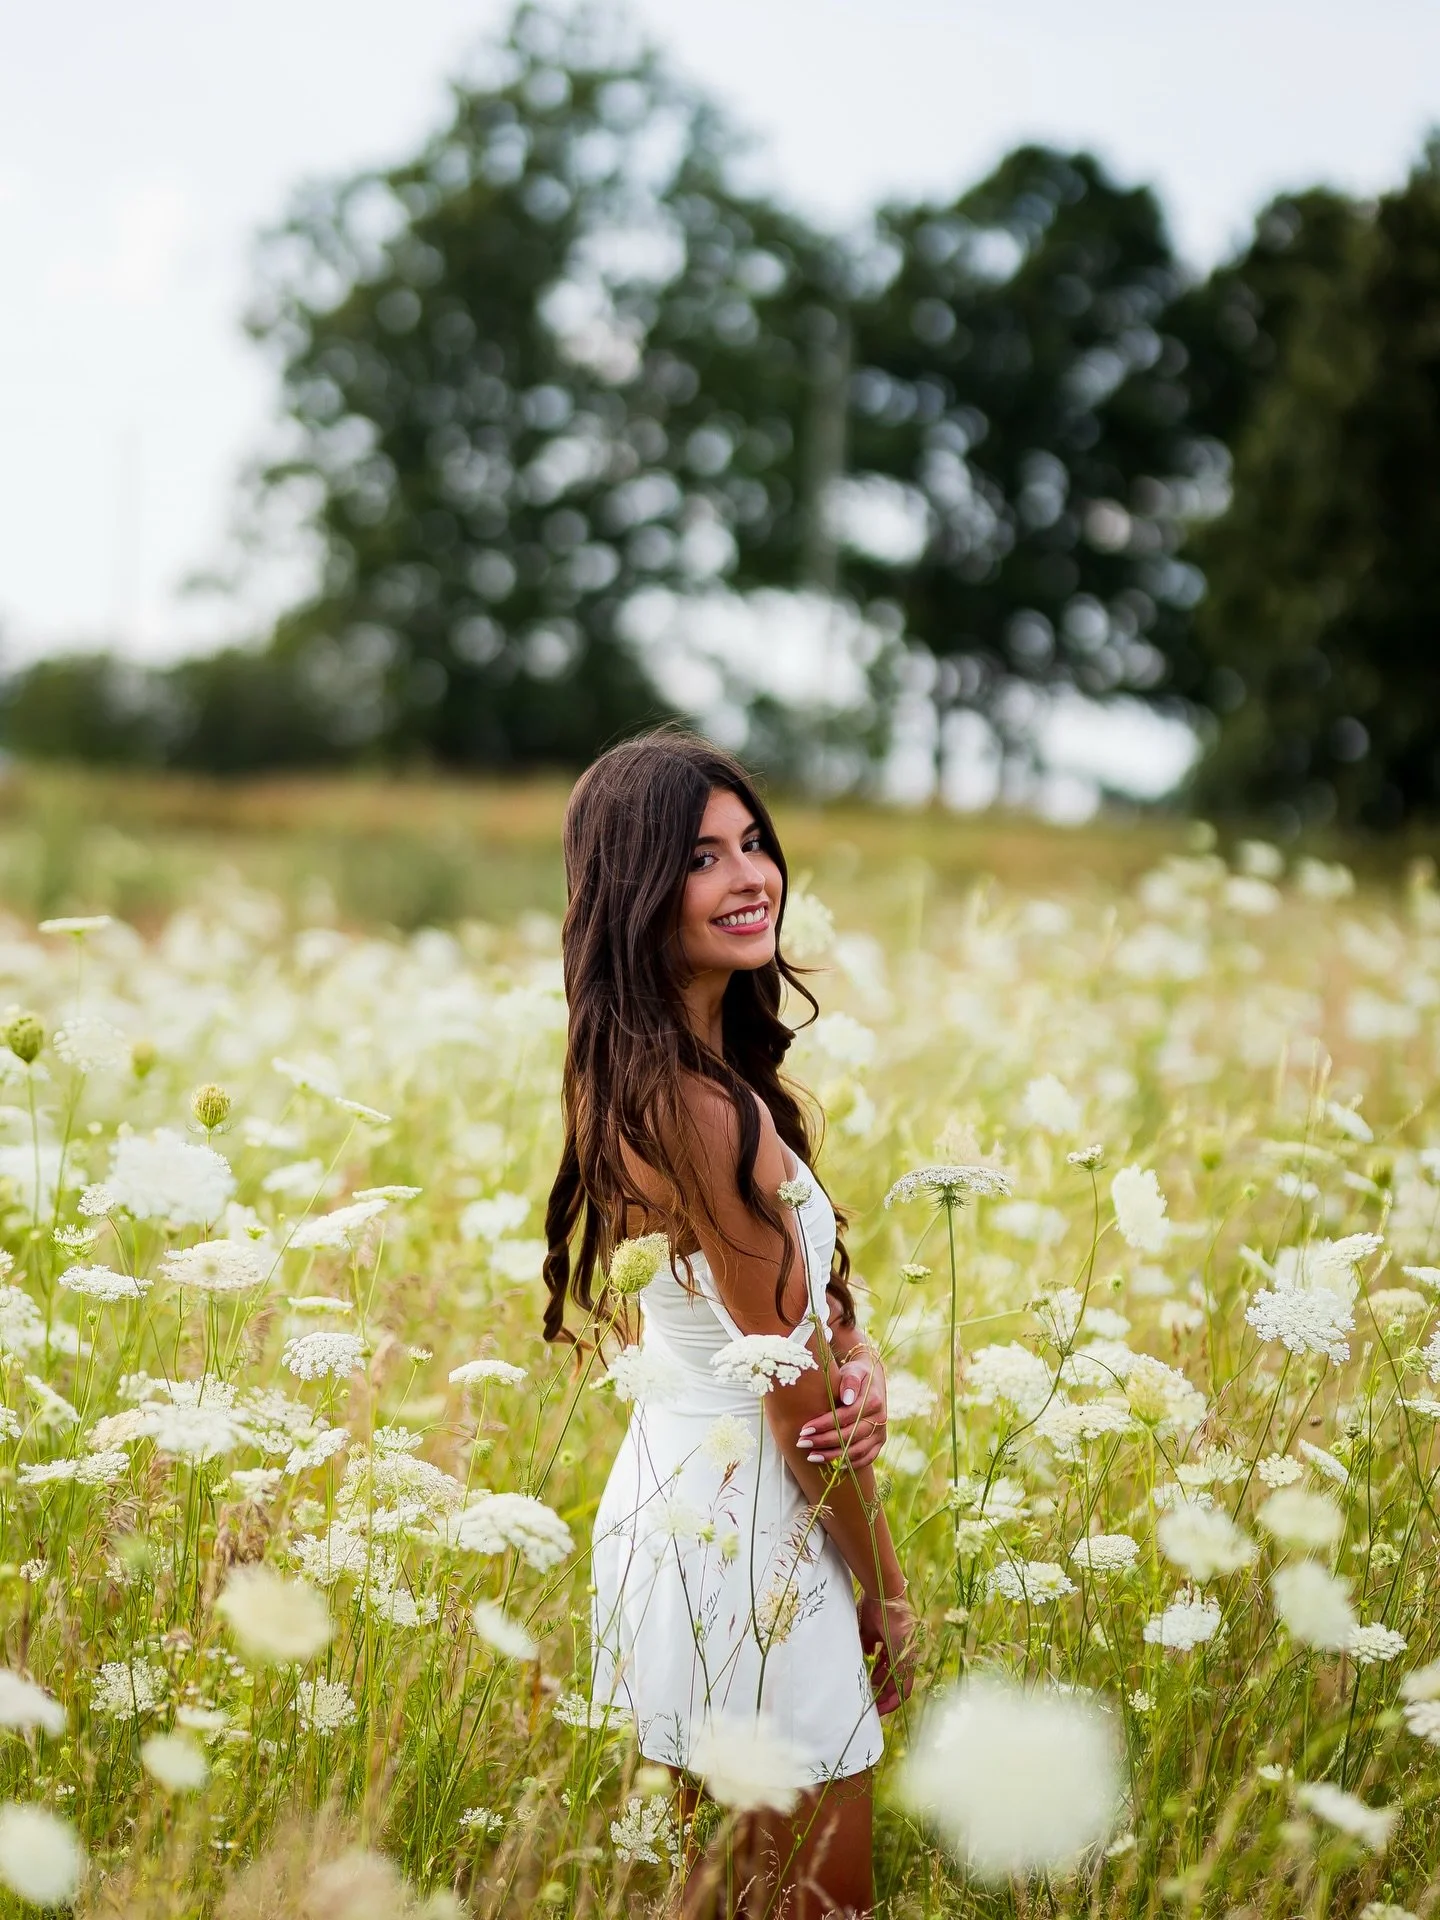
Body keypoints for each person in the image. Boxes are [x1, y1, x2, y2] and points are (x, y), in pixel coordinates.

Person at [543, 730, 916, 1918]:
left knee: (721, 1892)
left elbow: (743, 1326)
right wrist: (888, 1589)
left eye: (754, 843)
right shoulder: (702, 1109)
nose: (751, 875)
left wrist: (859, 1355)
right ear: (638, 892)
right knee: (822, 1903)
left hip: (679, 1507)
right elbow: (790, 1397)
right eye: (704, 858)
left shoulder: (643, 1074)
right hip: (751, 1536)